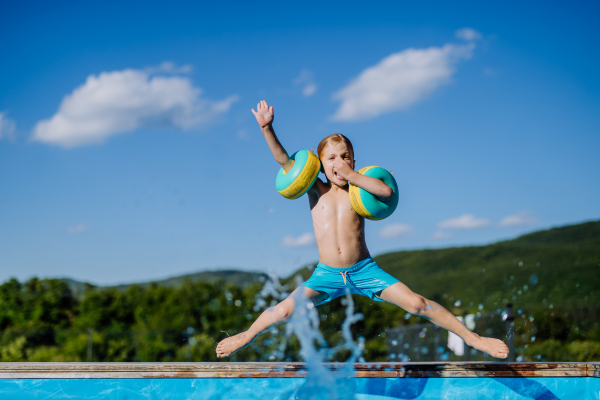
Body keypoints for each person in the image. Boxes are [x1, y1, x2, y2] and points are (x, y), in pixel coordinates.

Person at [216, 100, 509, 359]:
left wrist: (353, 176)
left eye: (345, 157)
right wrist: (267, 129)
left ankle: (473, 338)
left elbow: (386, 191)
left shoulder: (359, 190)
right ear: (320, 164)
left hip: (364, 271)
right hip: (326, 274)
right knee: (283, 311)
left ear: (354, 161)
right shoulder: (316, 189)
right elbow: (285, 161)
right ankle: (246, 335)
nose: (339, 163)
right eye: (332, 158)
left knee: (417, 303)